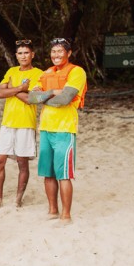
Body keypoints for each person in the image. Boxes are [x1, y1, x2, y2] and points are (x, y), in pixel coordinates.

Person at [28, 38, 87, 224]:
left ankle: (66, 215)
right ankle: (53, 210)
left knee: (64, 174)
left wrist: (45, 97)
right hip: (45, 128)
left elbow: (66, 99)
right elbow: (31, 97)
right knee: (48, 173)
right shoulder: (46, 73)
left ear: (69, 53)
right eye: (53, 51)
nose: (56, 55)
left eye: (60, 51)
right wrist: (53, 92)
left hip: (65, 129)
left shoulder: (77, 72)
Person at [0, 40, 43, 208]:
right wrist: (20, 88)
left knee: (22, 162)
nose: (23, 56)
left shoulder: (39, 74)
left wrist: (13, 89)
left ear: (32, 55)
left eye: (26, 53)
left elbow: (30, 99)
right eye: (20, 53)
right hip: (7, 123)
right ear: (16, 55)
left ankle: (18, 199)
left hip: (25, 123)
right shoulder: (11, 71)